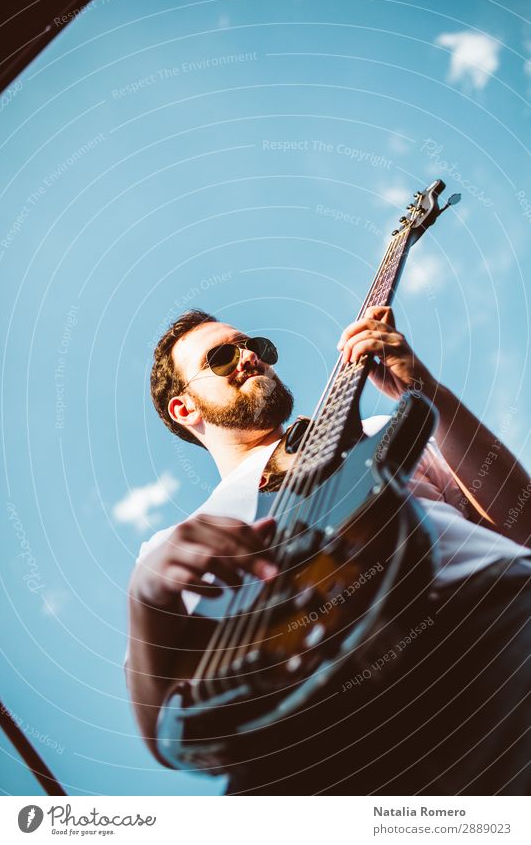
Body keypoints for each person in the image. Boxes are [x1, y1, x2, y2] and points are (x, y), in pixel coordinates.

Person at [125, 306, 531, 795]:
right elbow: (168, 733)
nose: (250, 356)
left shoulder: (383, 429)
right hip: (327, 737)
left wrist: (423, 388)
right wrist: (148, 599)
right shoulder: (174, 546)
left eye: (256, 345)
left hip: (487, 625)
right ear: (184, 408)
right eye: (222, 356)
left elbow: (520, 526)